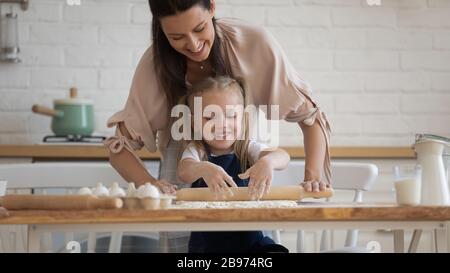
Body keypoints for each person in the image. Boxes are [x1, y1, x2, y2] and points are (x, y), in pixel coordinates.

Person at [104, 0, 332, 252]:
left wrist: (312, 178)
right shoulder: (156, 65)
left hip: (247, 206)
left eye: (200, 28)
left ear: (212, 7)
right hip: (184, 199)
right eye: (176, 37)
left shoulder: (252, 43)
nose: (192, 44)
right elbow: (120, 149)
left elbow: (310, 118)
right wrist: (151, 184)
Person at [177, 76, 290, 253]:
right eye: (209, 117)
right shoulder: (197, 151)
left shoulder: (247, 148)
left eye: (231, 116)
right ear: (194, 122)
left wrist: (268, 161)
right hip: (208, 247)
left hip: (250, 244)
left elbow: (283, 156)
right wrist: (204, 168)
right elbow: (184, 171)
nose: (222, 125)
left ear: (243, 118)